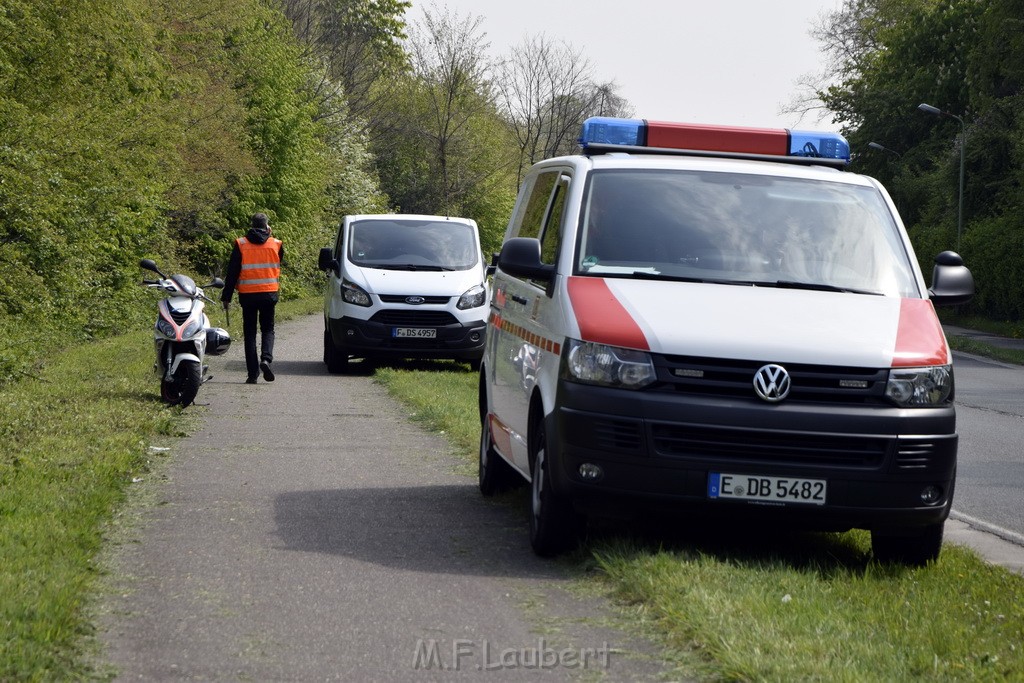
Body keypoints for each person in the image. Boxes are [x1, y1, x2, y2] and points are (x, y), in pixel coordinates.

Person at [221, 213, 284, 384]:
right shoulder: (276, 244)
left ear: (251, 225)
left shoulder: (241, 244)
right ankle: (266, 359)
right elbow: (278, 264)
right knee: (268, 329)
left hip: (247, 295)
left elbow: (232, 272)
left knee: (250, 333)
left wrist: (226, 296)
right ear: (267, 226)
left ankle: (252, 374)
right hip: (269, 293)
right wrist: (269, 235)